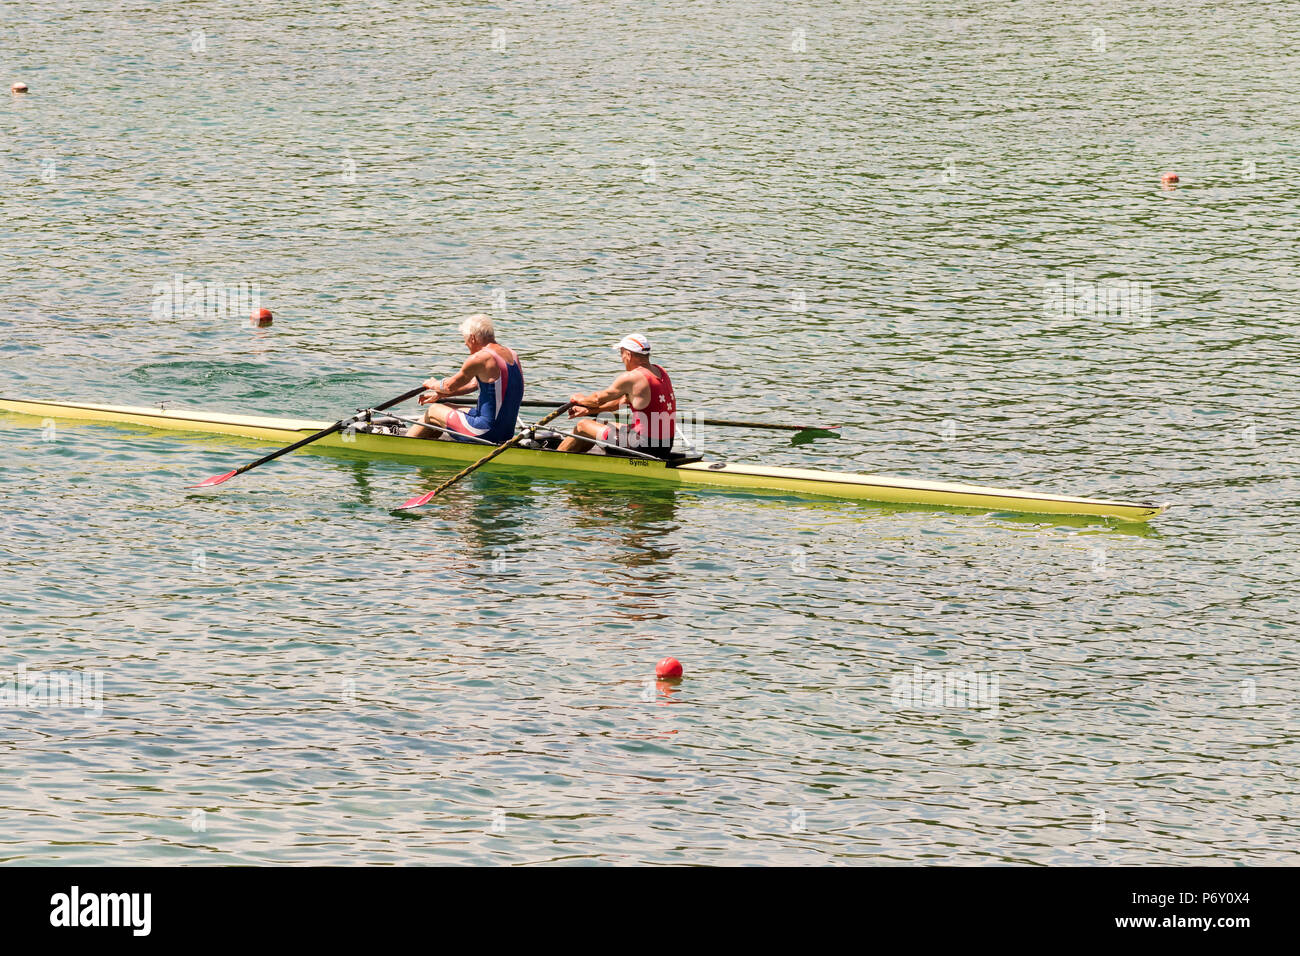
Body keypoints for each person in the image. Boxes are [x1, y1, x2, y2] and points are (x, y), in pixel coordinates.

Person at [406, 314, 524, 444]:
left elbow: (449, 386)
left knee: (433, 411)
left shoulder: (480, 358)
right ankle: (430, 446)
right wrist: (440, 394)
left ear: (472, 338)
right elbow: (473, 385)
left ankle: (403, 444)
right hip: (506, 432)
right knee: (447, 406)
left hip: (485, 432)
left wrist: (432, 384)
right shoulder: (513, 354)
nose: (465, 343)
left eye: (465, 339)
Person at [558, 334, 676, 457]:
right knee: (599, 421)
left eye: (621, 353)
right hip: (665, 446)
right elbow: (618, 403)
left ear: (629, 355)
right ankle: (576, 455)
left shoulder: (632, 377)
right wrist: (588, 410)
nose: (621, 359)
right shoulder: (661, 371)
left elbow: (597, 399)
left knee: (582, 425)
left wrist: (580, 399)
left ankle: (556, 458)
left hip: (642, 447)